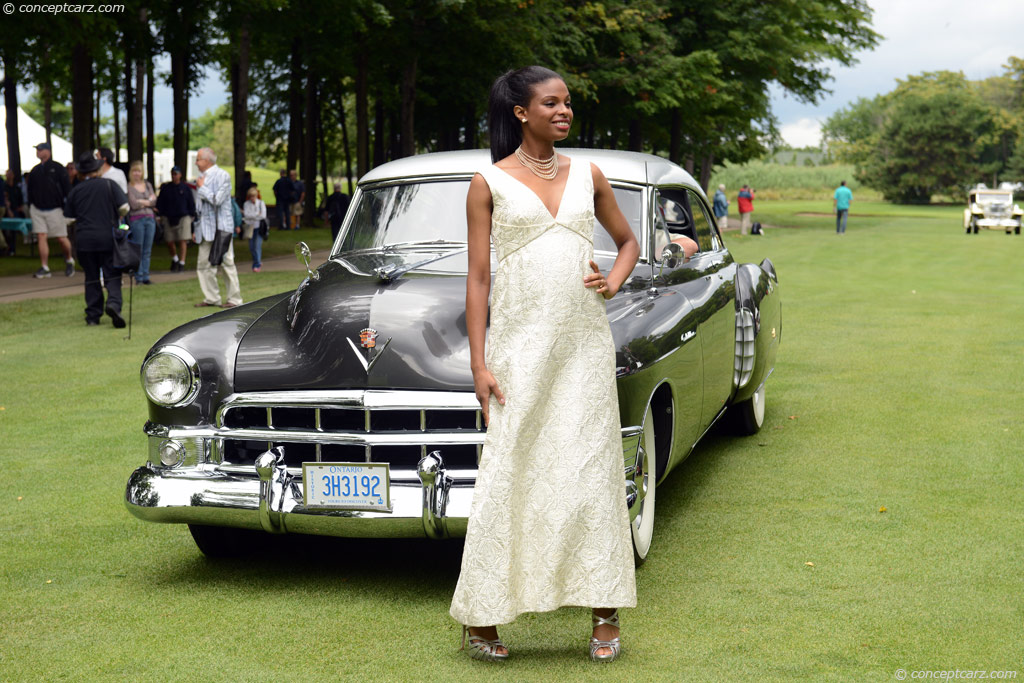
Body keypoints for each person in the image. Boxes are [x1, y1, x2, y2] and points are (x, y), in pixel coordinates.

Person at [450, 66, 640, 663]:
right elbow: (478, 279)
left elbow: (627, 242)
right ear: (520, 113)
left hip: (584, 346)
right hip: (518, 348)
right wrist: (479, 364)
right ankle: (482, 618)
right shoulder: (487, 183)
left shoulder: (589, 174)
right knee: (510, 471)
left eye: (568, 104)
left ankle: (604, 612)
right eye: (551, 103)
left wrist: (611, 280)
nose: (564, 112)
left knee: (590, 472)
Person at [63, 151, 129, 327]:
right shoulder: (109, 185)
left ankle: (93, 315)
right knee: (112, 275)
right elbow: (124, 208)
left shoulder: (76, 190)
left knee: (91, 277)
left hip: (85, 240)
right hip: (108, 238)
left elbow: (69, 219)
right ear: (97, 169)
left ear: (81, 172)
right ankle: (114, 304)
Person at [193, 147, 242, 308]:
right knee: (203, 264)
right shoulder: (201, 177)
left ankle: (234, 299)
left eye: (198, 159)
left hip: (221, 228)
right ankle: (211, 298)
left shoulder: (223, 176)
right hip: (204, 229)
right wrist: (196, 228)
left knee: (227, 263)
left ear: (207, 161)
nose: (196, 162)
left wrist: (202, 188)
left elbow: (217, 200)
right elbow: (199, 208)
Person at [27, 142, 74, 278]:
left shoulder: (58, 168)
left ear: (48, 151)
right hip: (37, 208)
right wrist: (31, 204)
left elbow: (67, 189)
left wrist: (68, 207)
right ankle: (44, 266)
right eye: (37, 150)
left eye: (40, 150)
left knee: (61, 238)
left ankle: (69, 259)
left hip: (55, 208)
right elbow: (30, 190)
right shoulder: (35, 170)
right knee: (41, 236)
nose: (38, 152)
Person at [156, 166, 197, 272]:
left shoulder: (185, 188)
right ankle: (175, 258)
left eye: (176, 174)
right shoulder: (166, 188)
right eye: (173, 174)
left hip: (183, 216)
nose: (174, 176)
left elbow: (191, 202)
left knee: (183, 239)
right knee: (169, 240)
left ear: (180, 175)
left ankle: (182, 263)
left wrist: (192, 214)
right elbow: (160, 202)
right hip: (169, 216)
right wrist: (160, 214)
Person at [126, 161, 158, 284]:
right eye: (134, 171)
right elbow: (133, 204)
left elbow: (154, 201)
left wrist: (142, 201)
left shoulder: (148, 185)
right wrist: (147, 201)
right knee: (138, 248)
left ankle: (146, 275)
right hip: (137, 220)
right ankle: (138, 276)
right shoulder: (129, 187)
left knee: (147, 249)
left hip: (150, 219)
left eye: (138, 171)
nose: (136, 173)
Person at [241, 186, 267, 272]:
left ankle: (256, 265)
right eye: (251, 196)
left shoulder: (261, 203)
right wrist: (256, 215)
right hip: (250, 228)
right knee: (251, 247)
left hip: (259, 228)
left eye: (254, 196)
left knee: (257, 246)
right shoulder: (246, 204)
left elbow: (263, 216)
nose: (252, 198)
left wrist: (252, 216)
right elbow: (247, 215)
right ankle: (258, 261)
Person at [4, 169, 25, 256]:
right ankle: (6, 248)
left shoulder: (17, 188)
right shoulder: (4, 187)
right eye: (8, 174)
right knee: (5, 230)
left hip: (15, 211)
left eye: (10, 174)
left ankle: (12, 249)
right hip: (6, 211)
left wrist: (21, 207)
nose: (9, 176)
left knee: (13, 231)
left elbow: (21, 199)